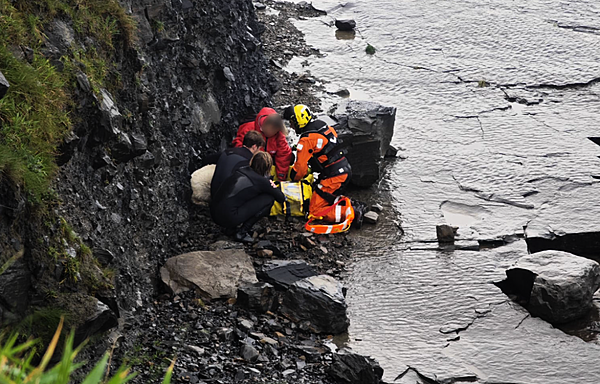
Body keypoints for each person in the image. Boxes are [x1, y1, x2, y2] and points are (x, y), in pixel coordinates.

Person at [283, 104, 359, 227]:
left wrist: (291, 180)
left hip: (334, 176)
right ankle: (341, 202)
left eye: (292, 122)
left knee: (314, 211)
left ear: (299, 121)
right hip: (343, 169)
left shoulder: (306, 139)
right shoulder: (322, 125)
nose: (291, 126)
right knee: (320, 194)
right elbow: (323, 146)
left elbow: (300, 171)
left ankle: (352, 212)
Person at [210, 152, 285, 243]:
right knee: (268, 198)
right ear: (268, 168)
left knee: (239, 196)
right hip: (227, 218)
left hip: (214, 213)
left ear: (252, 161)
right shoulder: (263, 182)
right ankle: (242, 232)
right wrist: (272, 185)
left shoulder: (240, 169)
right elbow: (281, 198)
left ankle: (230, 229)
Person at [232, 107, 292, 181]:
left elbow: (284, 155)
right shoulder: (248, 128)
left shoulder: (279, 135)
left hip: (268, 163)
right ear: (264, 126)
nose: (271, 133)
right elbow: (238, 147)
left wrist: (281, 177)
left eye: (274, 131)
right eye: (270, 130)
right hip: (251, 162)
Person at [203, 131, 265, 198]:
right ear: (254, 147)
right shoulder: (249, 161)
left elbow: (207, 159)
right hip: (226, 199)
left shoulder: (228, 151)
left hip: (213, 193)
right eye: (259, 148)